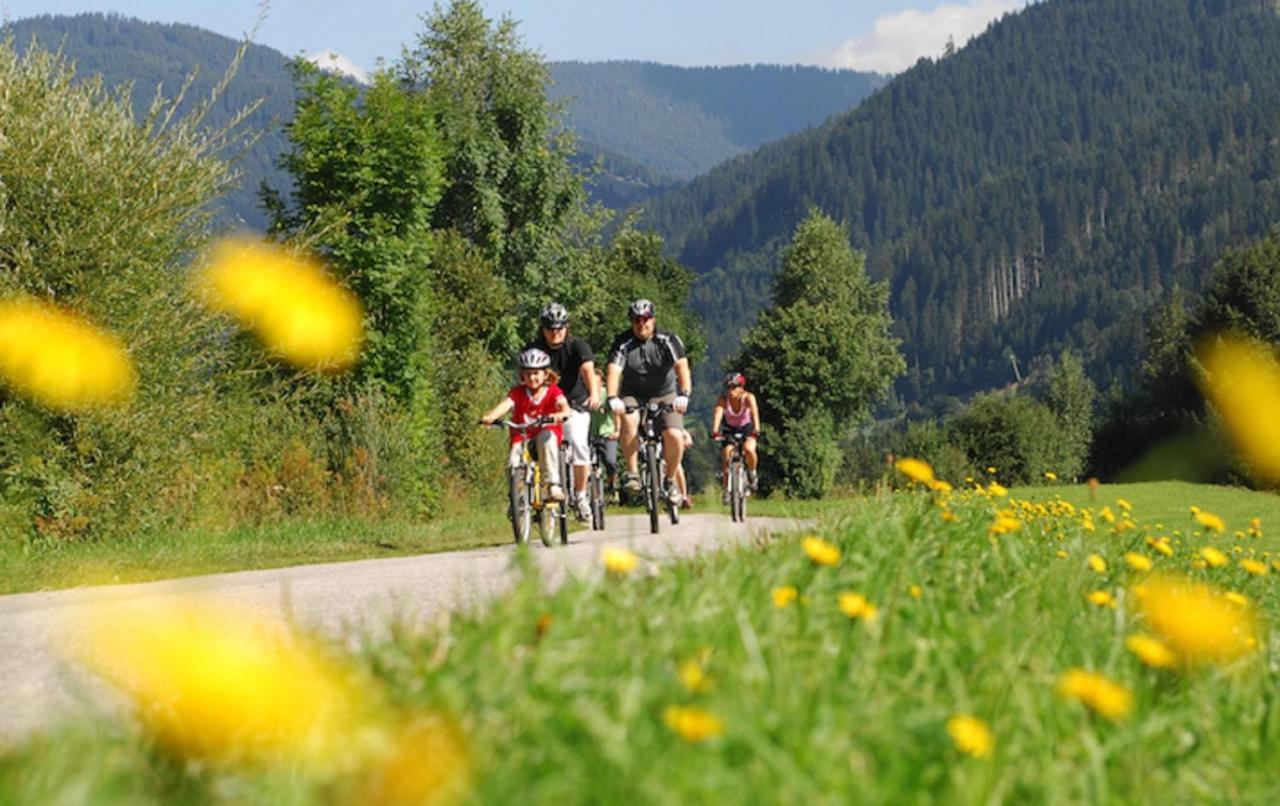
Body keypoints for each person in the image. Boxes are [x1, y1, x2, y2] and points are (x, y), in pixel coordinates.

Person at [605, 298, 692, 507]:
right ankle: (633, 473)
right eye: (636, 320)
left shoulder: (667, 339)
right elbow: (613, 371)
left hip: (665, 393)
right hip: (633, 393)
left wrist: (684, 394)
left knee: (674, 435)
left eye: (646, 319)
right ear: (631, 321)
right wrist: (612, 397)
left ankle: (670, 480)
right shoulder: (623, 343)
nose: (641, 323)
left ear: (653, 319)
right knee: (628, 418)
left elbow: (682, 367)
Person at [525, 302, 600, 522]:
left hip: (575, 404)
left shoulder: (578, 346)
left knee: (578, 442)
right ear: (542, 328)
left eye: (559, 328)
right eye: (550, 328)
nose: (555, 333)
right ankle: (535, 490)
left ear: (567, 327)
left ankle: (579, 495)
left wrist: (594, 395)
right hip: (545, 408)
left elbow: (587, 370)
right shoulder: (534, 349)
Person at [479, 348, 572, 501]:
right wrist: (491, 416)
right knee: (513, 463)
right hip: (522, 436)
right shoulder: (518, 392)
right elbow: (506, 405)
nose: (532, 377)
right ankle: (517, 497)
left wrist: (560, 415)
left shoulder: (553, 391)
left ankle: (552, 484)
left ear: (545, 374)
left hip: (545, 433)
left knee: (546, 440)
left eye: (536, 373)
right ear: (522, 374)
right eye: (528, 373)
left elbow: (564, 407)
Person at [711, 372, 760, 503]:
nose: (731, 391)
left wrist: (757, 429)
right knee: (727, 454)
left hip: (746, 428)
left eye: (734, 387)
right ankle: (726, 489)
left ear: (741, 388)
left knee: (749, 449)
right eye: (728, 388)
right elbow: (718, 415)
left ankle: (752, 472)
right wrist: (715, 431)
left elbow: (755, 414)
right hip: (730, 430)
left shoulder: (748, 398)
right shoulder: (723, 400)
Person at [588, 367, 620, 496]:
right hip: (590, 434)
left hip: (607, 434)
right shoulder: (584, 395)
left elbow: (616, 414)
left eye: (597, 383)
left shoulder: (606, 395)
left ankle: (612, 483)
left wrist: (617, 431)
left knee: (610, 461)